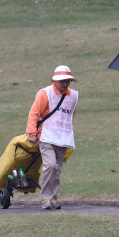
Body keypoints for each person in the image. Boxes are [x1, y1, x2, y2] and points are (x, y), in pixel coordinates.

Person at [26, 65, 79, 210]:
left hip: (62, 139)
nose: (65, 83)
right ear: (54, 81)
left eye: (67, 80)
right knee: (50, 165)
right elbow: (34, 114)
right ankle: (46, 198)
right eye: (62, 80)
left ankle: (53, 199)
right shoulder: (45, 93)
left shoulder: (73, 96)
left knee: (57, 169)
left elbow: (69, 116)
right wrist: (32, 133)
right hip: (46, 136)